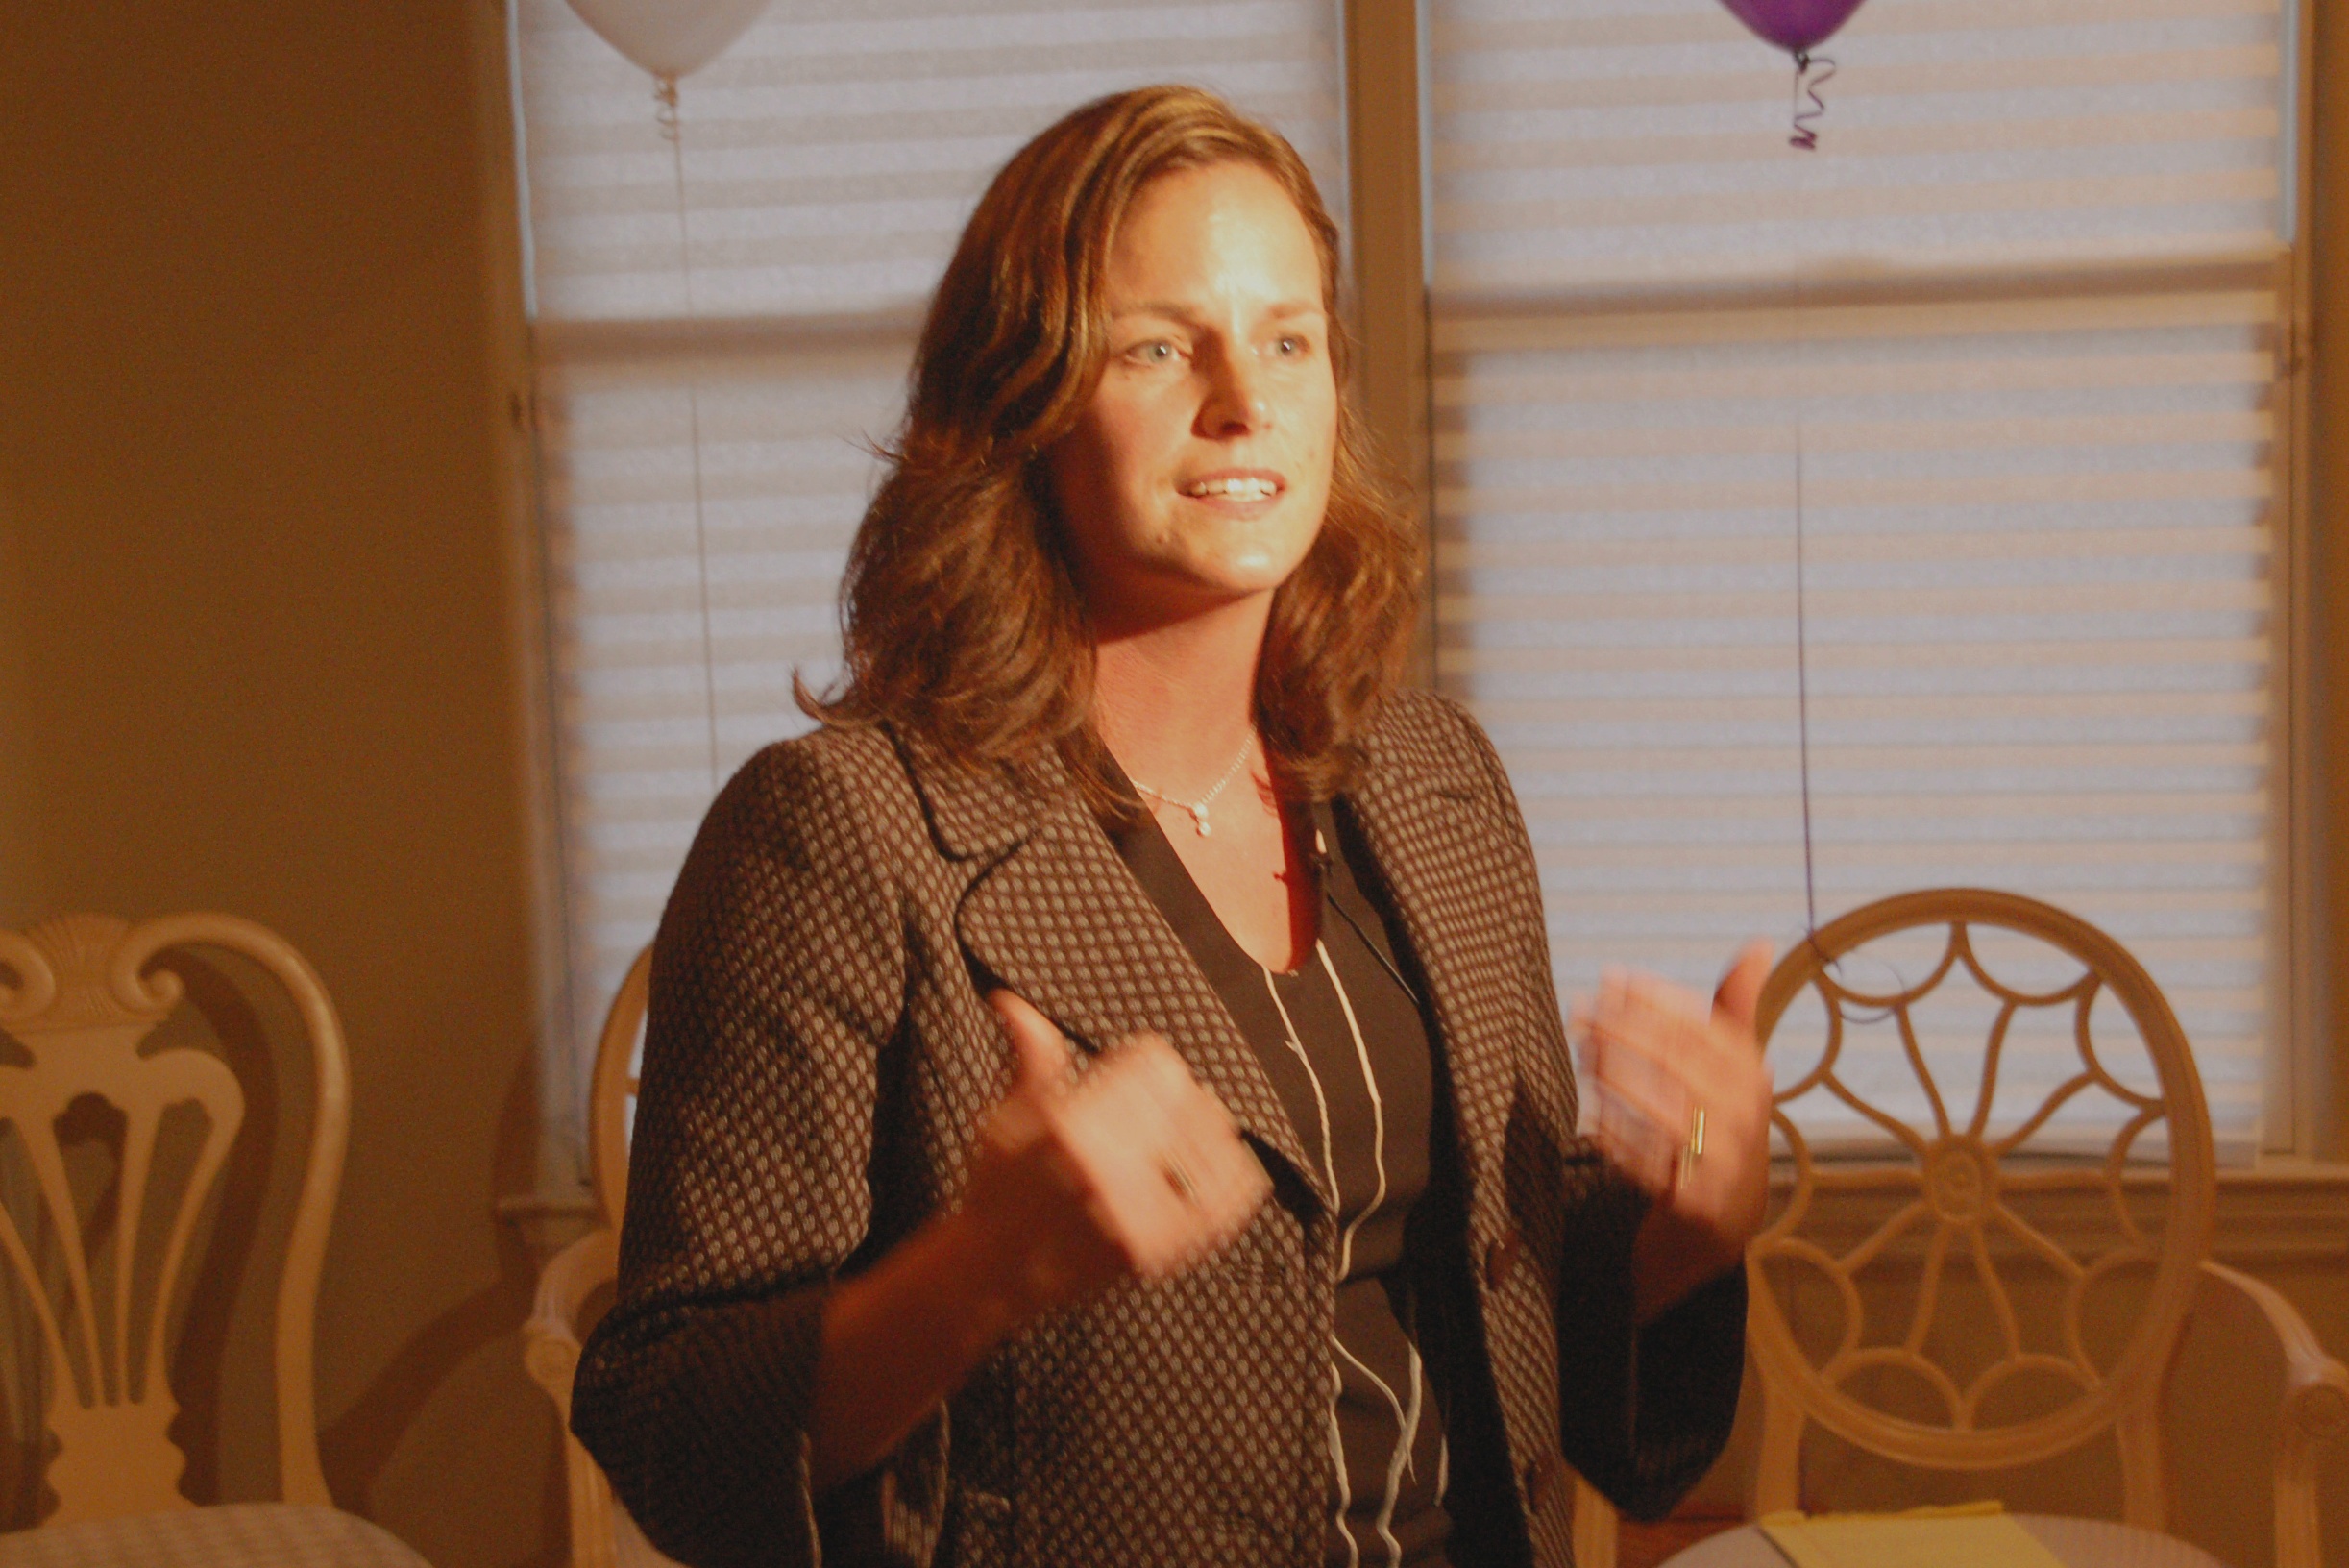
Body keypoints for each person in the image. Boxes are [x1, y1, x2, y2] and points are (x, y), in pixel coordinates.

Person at [572, 84, 1774, 1568]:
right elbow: (664, 1423)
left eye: (1287, 341)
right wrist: (970, 1280)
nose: (1241, 400)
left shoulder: (1439, 784)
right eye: (1156, 347)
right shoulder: (838, 832)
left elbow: (1509, 1308)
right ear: (1018, 403)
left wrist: (1684, 1230)